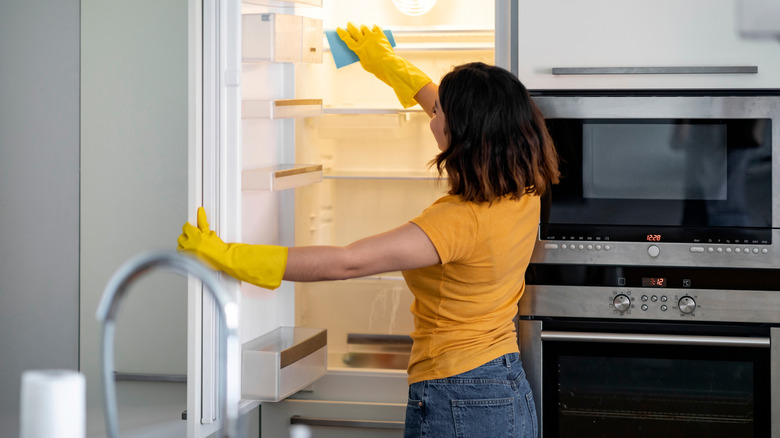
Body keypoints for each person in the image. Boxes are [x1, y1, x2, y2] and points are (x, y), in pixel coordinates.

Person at [178, 23, 559, 438]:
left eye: (439, 114)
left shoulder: (456, 222)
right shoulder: (525, 186)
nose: (433, 115)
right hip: (506, 386)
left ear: (463, 134)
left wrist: (231, 255)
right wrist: (384, 61)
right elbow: (430, 94)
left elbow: (346, 262)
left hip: (458, 395)